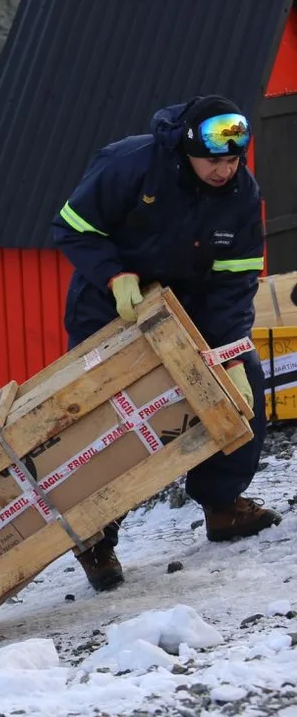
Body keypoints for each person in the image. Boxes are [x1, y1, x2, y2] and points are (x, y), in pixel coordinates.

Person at [53, 95, 278, 592]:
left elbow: (237, 277)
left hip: (193, 303)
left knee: (241, 386)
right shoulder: (130, 165)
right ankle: (96, 538)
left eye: (233, 159)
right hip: (110, 304)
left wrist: (228, 349)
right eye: (213, 160)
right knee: (105, 421)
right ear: (185, 150)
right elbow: (71, 228)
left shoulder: (242, 194)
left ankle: (223, 504)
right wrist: (114, 277)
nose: (224, 170)